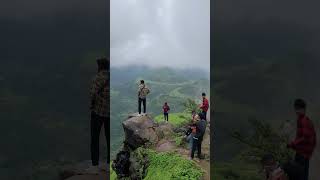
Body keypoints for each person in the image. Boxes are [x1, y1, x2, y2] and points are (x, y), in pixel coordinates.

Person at [87, 57, 109, 174]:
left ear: (99, 67)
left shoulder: (98, 78)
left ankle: (95, 166)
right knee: (108, 138)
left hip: (98, 112)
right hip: (109, 113)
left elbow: (92, 94)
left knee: (95, 138)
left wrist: (91, 106)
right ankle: (108, 164)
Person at [287, 99, 316, 180]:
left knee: (299, 175)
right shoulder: (301, 119)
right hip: (303, 153)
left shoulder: (304, 121)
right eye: (296, 109)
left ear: (304, 109)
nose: (297, 111)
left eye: (299, 109)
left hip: (303, 154)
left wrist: (293, 144)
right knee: (302, 175)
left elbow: (305, 137)